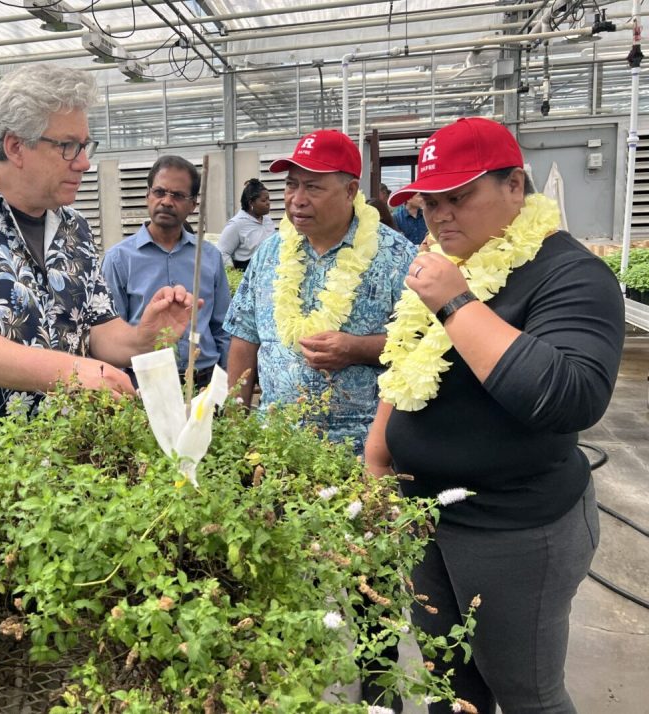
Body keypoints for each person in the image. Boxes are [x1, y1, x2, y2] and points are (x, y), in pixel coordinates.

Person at [365, 117, 624, 714]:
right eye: (431, 201)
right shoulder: (442, 260)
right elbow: (404, 368)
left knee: (524, 692)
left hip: (515, 527)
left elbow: (569, 397)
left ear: (515, 187)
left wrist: (457, 301)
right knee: (448, 687)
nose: (441, 215)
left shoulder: (570, 273)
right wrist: (377, 457)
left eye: (460, 196)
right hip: (426, 517)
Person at [223, 129, 414, 710]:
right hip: (278, 451)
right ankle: (292, 689)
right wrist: (233, 415)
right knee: (283, 581)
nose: (296, 198)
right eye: (290, 185)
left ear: (351, 190)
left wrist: (357, 347)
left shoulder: (396, 257)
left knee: (372, 585)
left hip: (368, 454)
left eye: (313, 186)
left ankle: (381, 693)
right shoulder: (271, 253)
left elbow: (424, 347)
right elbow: (245, 337)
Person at [0, 64, 196, 423]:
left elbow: (97, 330)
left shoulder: (74, 228)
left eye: (85, 146)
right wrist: (72, 371)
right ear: (16, 147)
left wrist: (144, 337)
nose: (84, 163)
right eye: (68, 146)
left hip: (68, 454)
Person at [102, 156, 230, 390]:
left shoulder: (209, 256)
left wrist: (226, 384)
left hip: (204, 381)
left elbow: (223, 327)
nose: (167, 201)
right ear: (147, 195)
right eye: (159, 192)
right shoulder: (119, 259)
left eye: (178, 195)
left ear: (193, 204)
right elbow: (110, 332)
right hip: (146, 383)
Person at [218, 178, 276, 269]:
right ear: (251, 203)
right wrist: (233, 274)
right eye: (264, 201)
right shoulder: (236, 224)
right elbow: (222, 253)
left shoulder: (268, 221)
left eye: (268, 199)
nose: (268, 203)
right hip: (246, 271)